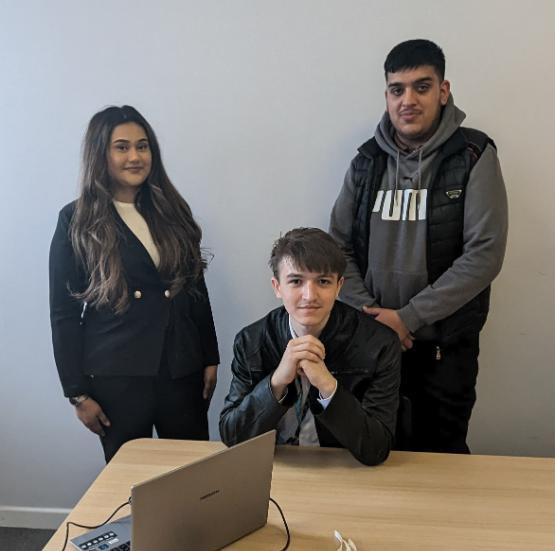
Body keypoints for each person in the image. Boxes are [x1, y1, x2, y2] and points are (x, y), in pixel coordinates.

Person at [329, 39, 508, 454]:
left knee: (442, 461)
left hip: (444, 350)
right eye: (397, 89)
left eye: (421, 87)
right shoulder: (367, 160)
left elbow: (484, 254)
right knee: (373, 454)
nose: (407, 100)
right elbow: (336, 246)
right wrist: (373, 318)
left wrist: (407, 318)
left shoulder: (474, 153)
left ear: (443, 91)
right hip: (370, 341)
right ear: (387, 95)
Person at [49, 105, 219, 462]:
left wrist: (209, 356)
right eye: (122, 147)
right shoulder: (77, 219)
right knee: (129, 482)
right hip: (117, 374)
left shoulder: (172, 209)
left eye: (143, 146)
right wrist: (76, 392)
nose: (135, 156)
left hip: (180, 367)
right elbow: (63, 312)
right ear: (101, 153)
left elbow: (195, 287)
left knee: (192, 472)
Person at [219, 228, 400, 466]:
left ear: (338, 286)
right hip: (274, 467)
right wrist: (276, 383)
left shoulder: (380, 344)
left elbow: (376, 449)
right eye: (296, 281)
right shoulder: (251, 341)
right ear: (277, 287)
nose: (309, 295)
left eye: (323, 282)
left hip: (343, 468)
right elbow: (233, 436)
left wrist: (327, 386)